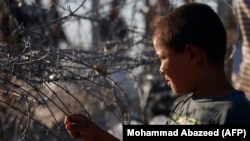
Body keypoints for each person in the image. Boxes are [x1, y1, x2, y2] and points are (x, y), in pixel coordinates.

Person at [64, 2, 250, 141]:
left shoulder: (234, 115)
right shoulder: (183, 106)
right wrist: (95, 134)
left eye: (163, 58)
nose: (160, 69)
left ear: (192, 55)